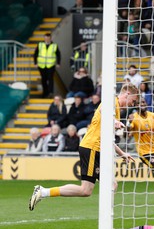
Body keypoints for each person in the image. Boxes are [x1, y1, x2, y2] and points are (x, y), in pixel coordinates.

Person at [29, 83, 138, 211]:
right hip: (92, 147)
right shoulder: (111, 103)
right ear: (127, 94)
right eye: (133, 101)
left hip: (96, 148)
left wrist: (122, 153)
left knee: (93, 189)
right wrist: (114, 122)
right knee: (101, 187)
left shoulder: (117, 110)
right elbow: (104, 110)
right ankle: (106, 225)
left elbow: (107, 138)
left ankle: (43, 192)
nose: (133, 104)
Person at [33, 33, 61, 98]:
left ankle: (50, 92)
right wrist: (35, 63)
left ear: (50, 38)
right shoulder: (40, 44)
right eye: (45, 38)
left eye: (48, 39)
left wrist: (58, 63)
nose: (47, 40)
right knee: (44, 79)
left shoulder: (54, 45)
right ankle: (45, 92)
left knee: (50, 78)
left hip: (51, 65)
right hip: (41, 65)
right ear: (44, 38)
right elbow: (35, 53)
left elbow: (58, 54)